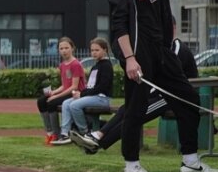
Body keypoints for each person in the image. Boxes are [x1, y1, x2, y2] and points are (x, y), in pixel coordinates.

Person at [108, 0, 217, 172]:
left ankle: (190, 162)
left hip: (162, 52)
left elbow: (166, 14)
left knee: (188, 98)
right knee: (135, 110)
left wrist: (168, 47)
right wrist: (130, 59)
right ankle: (131, 168)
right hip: (138, 53)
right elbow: (118, 25)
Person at [72, 17, 199, 154]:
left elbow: (171, 80)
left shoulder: (178, 50)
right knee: (127, 107)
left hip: (175, 97)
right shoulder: (161, 50)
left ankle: (97, 144)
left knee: (136, 114)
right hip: (160, 93)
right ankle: (98, 135)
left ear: (172, 29)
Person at [51, 38, 113, 145]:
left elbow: (102, 87)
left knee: (74, 105)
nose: (94, 52)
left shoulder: (106, 66)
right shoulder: (95, 66)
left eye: (97, 50)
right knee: (66, 103)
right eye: (92, 50)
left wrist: (82, 94)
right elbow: (90, 87)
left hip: (102, 98)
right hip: (93, 97)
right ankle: (64, 134)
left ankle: (85, 132)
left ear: (105, 50)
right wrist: (81, 94)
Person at [36, 37, 86, 145]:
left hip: (76, 94)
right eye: (61, 48)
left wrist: (56, 97)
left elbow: (74, 87)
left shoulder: (76, 64)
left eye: (66, 48)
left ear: (72, 48)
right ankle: (49, 132)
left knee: (52, 102)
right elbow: (64, 85)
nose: (64, 50)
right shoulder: (62, 65)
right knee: (41, 101)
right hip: (68, 91)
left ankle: (57, 134)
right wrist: (53, 92)